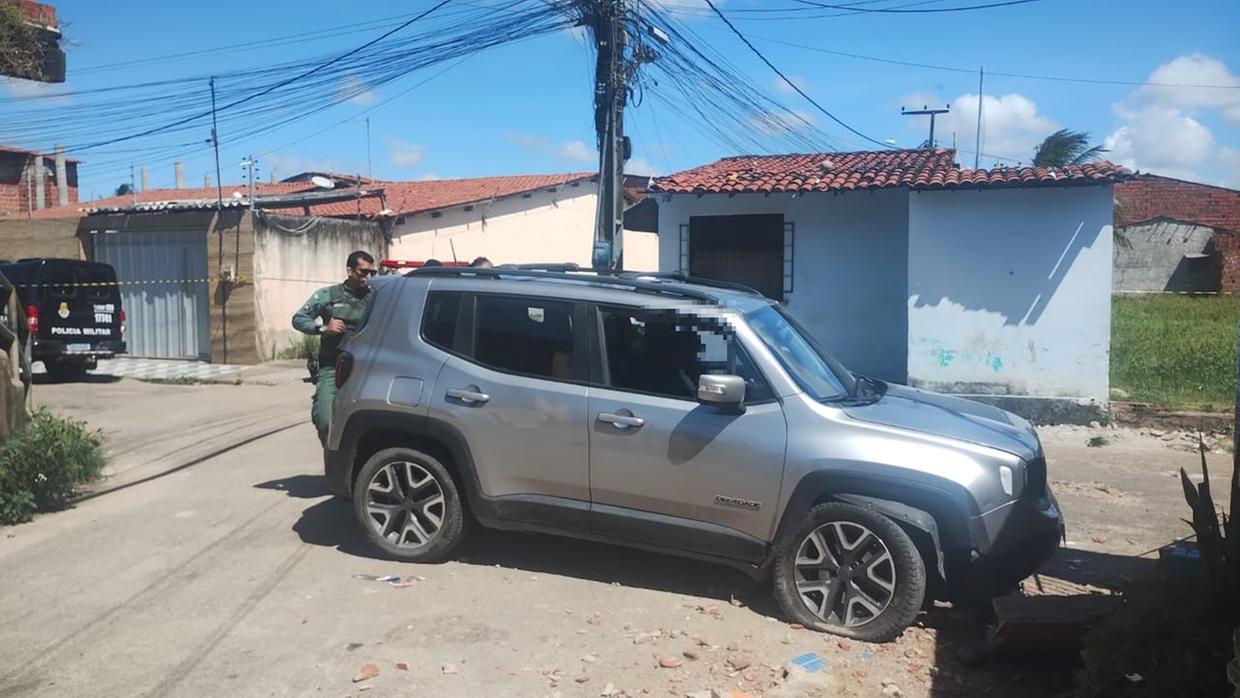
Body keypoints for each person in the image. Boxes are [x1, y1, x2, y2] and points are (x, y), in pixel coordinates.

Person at [292, 250, 375, 445]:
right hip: (333, 365)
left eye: (372, 272)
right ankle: (331, 456)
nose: (369, 277)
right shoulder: (328, 295)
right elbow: (298, 319)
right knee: (325, 421)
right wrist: (322, 328)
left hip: (367, 367)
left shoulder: (376, 297)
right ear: (350, 271)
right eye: (364, 272)